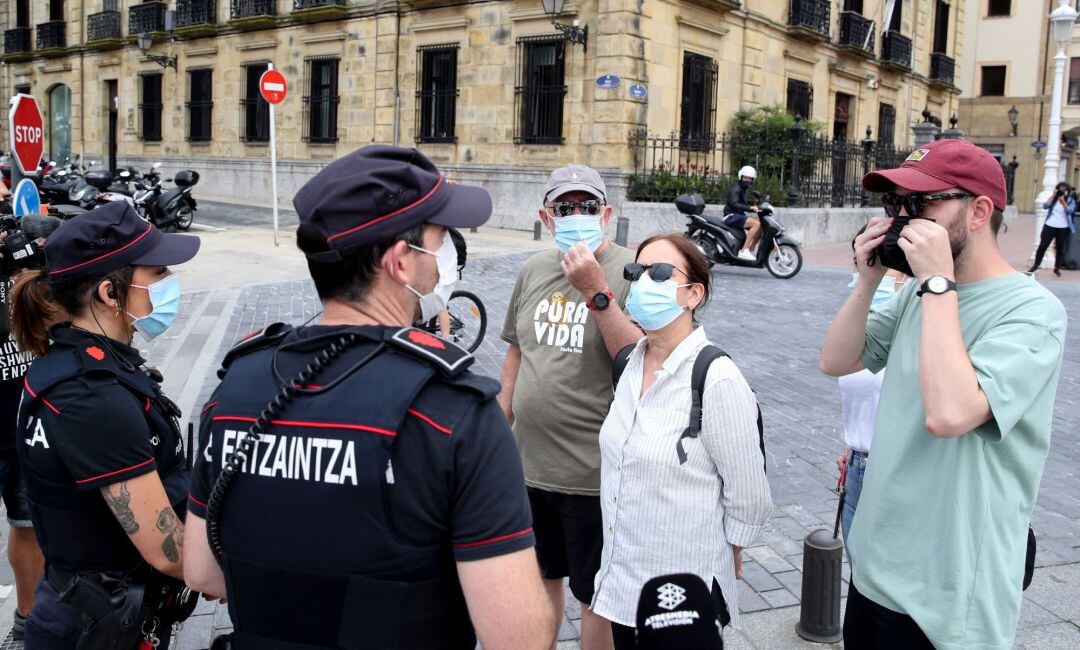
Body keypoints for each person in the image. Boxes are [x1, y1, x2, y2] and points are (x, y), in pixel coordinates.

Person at [183, 146, 555, 650]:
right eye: (441, 238)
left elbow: (203, 572)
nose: (448, 255)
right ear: (401, 261)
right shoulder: (456, 411)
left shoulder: (236, 387)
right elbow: (518, 638)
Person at [820, 138, 1068, 649]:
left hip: (949, 593)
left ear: (978, 211)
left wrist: (937, 283)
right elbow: (837, 361)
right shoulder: (915, 291)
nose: (903, 218)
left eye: (922, 203)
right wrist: (867, 281)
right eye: (895, 205)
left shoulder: (1033, 312)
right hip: (875, 570)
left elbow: (951, 414)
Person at [8, 202, 201, 648]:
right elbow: (166, 549)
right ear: (110, 294)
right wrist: (238, 573)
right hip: (96, 626)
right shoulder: (91, 397)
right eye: (158, 273)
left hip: (104, 612)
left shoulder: (83, 364)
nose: (169, 284)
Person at [591, 234, 772, 649]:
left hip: (682, 598)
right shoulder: (630, 365)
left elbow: (749, 495)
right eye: (636, 272)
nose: (643, 282)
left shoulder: (716, 377)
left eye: (659, 273)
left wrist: (730, 551)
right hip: (624, 584)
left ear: (693, 293)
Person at [499, 164, 641, 650]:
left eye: (586, 206)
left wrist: (593, 289)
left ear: (606, 213)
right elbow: (517, 350)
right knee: (541, 579)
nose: (576, 215)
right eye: (565, 207)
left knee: (595, 594)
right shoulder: (533, 269)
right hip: (529, 467)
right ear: (546, 215)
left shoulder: (628, 270)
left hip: (592, 474)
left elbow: (640, 360)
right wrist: (499, 429)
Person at [834, 229, 907, 562]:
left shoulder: (919, 324)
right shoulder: (858, 328)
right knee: (861, 582)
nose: (867, 273)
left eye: (881, 264)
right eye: (860, 263)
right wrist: (855, 444)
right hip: (858, 469)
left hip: (897, 474)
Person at [0, 233, 45, 641]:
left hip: (27, 415)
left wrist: (32, 257)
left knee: (30, 521)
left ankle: (33, 614)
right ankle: (29, 619)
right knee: (27, 523)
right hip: (3, 423)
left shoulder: (14, 258)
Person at [1030, 181, 1075, 277]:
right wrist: (1053, 196)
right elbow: (1045, 206)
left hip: (1063, 227)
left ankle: (1057, 268)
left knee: (1060, 248)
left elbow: (1070, 211)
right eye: (1060, 189)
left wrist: (1063, 202)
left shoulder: (1070, 200)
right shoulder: (1054, 199)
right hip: (1050, 225)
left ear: (1067, 191)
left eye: (1064, 190)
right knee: (1043, 246)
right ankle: (1036, 265)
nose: (1062, 192)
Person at [723, 166, 761, 261]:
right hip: (730, 216)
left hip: (738, 216)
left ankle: (751, 249)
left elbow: (743, 205)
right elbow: (734, 204)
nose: (747, 180)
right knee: (756, 224)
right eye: (745, 178)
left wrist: (754, 207)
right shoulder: (735, 189)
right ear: (741, 177)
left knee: (761, 225)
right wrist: (750, 208)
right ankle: (744, 250)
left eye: (749, 178)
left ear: (752, 180)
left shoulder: (743, 190)